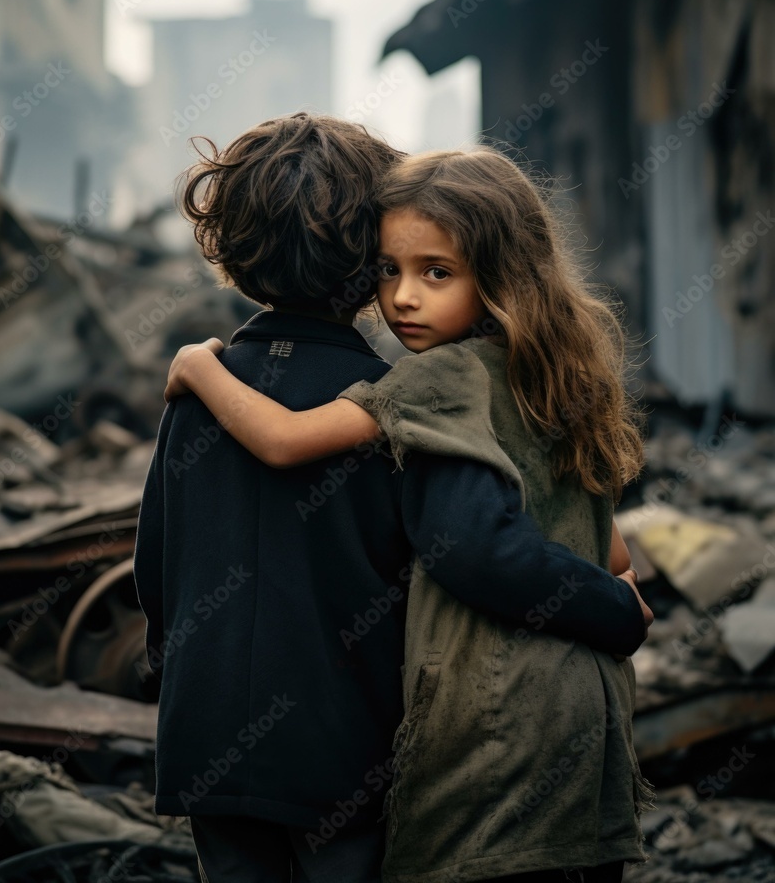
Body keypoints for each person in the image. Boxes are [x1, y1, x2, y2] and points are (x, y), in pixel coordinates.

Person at [134, 119, 651, 883]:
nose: (406, 292)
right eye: (389, 267)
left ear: (228, 246)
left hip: (205, 741)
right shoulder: (386, 405)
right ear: (363, 257)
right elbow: (458, 559)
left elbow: (157, 572)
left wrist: (179, 680)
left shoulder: (194, 402)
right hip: (349, 749)